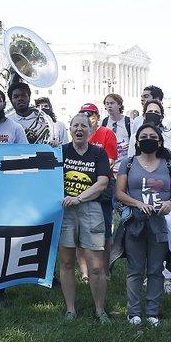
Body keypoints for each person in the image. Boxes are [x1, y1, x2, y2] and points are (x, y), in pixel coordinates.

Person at [113, 124, 171, 327]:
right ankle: (133, 312)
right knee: (135, 269)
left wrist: (170, 203)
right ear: (137, 141)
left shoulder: (169, 164)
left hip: (160, 223)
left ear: (159, 141)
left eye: (152, 136)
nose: (148, 139)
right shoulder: (128, 163)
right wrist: (138, 204)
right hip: (135, 222)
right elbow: (120, 192)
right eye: (144, 136)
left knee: (155, 269)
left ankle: (152, 312)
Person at [57, 113, 112, 323]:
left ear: (90, 131)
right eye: (75, 125)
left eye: (83, 126)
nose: (79, 129)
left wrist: (79, 198)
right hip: (65, 211)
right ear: (70, 129)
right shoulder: (61, 151)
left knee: (96, 265)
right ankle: (70, 309)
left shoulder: (98, 153)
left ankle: (100, 310)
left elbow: (103, 183)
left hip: (91, 209)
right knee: (67, 262)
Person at [8, 80, 56, 145]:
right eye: (16, 97)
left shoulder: (44, 119)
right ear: (11, 100)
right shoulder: (7, 121)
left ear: (29, 97)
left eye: (23, 95)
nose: (20, 99)